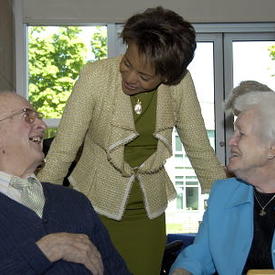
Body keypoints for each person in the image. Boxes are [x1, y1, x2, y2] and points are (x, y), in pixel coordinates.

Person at [37, 6, 226, 275]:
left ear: (167, 76)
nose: (129, 77)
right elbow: (62, 151)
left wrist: (231, 203)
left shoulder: (180, 85)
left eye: (144, 76)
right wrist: (37, 209)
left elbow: (199, 149)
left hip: (148, 213)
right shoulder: (95, 77)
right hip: (93, 206)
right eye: (127, 62)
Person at [0, 91, 130, 275]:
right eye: (27, 116)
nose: (42, 125)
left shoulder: (74, 201)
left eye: (39, 117)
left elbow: (117, 271)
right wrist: (47, 250)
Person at [169, 88, 275, 275]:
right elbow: (199, 255)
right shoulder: (223, 194)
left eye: (240, 134)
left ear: (271, 149)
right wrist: (183, 271)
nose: (231, 141)